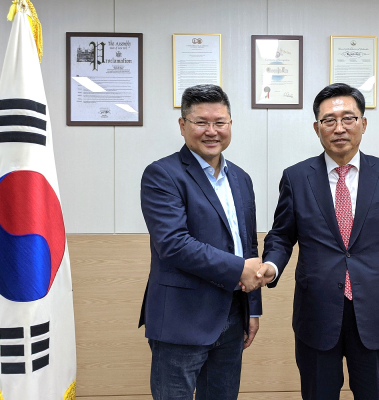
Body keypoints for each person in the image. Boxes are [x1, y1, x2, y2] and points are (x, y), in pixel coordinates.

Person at [261, 83, 379, 400]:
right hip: (317, 311)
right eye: (329, 120)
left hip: (376, 309)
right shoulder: (296, 177)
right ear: (316, 128)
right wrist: (271, 265)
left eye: (348, 118)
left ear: (363, 123)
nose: (339, 128)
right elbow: (281, 235)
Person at [139, 84, 266, 400]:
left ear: (230, 124)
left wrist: (253, 310)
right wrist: (238, 269)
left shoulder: (241, 179)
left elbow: (248, 247)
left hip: (232, 317)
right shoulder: (162, 174)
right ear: (182, 125)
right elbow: (174, 244)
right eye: (201, 122)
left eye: (220, 122)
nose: (212, 131)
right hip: (181, 320)